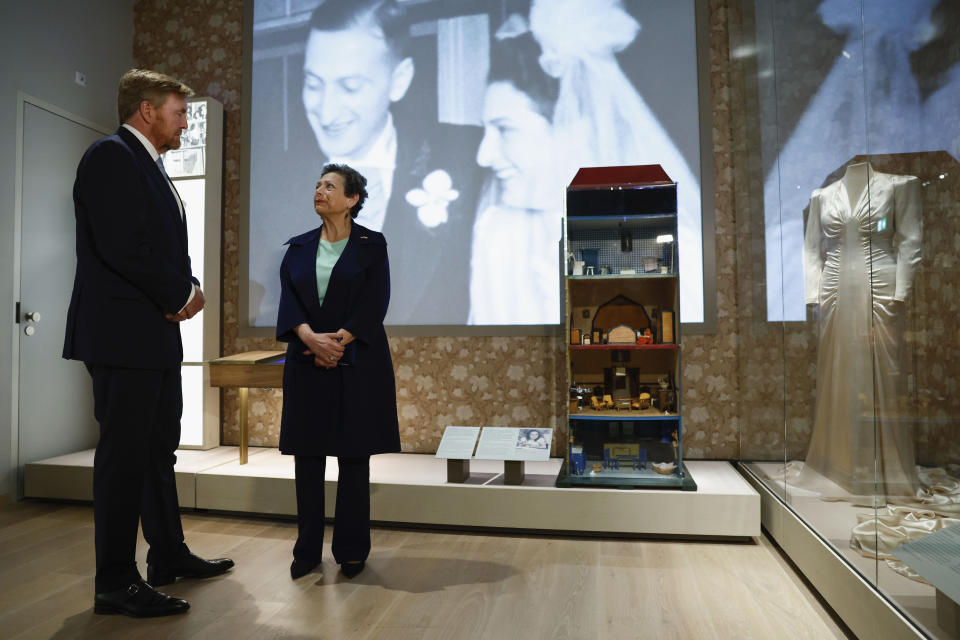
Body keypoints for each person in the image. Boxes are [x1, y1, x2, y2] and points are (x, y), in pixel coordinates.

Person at [63, 68, 234, 618]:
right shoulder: (110, 156)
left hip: (152, 334)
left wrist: (186, 290)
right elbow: (122, 247)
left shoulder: (151, 166)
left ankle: (168, 555)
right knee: (124, 456)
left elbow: (155, 248)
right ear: (146, 111)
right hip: (122, 336)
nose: (185, 120)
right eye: (178, 111)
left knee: (158, 450)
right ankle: (114, 580)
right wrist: (182, 293)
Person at [248, 0, 481, 326]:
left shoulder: (471, 159)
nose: (326, 111)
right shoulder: (270, 190)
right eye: (314, 84)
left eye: (350, 86)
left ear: (399, 80)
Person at [276, 163, 400, 580]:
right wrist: (312, 339)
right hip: (307, 361)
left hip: (356, 363)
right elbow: (290, 304)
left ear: (352, 200)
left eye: (329, 186)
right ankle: (306, 551)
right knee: (307, 459)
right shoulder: (297, 247)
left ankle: (351, 551)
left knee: (353, 458)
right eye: (317, 185)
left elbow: (374, 302)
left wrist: (338, 341)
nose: (319, 190)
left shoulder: (372, 244)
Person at [469, 28, 563, 325]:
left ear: (566, 128)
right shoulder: (495, 233)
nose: (483, 156)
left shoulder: (660, 245)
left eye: (505, 129)